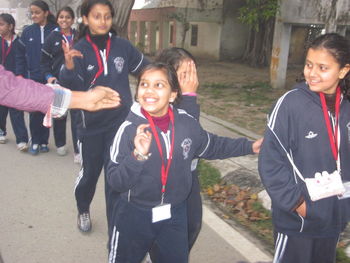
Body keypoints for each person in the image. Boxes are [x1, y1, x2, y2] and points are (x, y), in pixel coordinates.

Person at [107, 62, 262, 263]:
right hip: (134, 215)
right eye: (144, 84)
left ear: (173, 95)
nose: (149, 91)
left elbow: (212, 145)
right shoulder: (128, 130)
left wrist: (249, 147)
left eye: (159, 85)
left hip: (174, 213)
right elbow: (115, 181)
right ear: (137, 93)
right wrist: (137, 156)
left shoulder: (187, 124)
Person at [258, 33, 350, 263]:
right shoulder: (290, 105)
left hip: (334, 217)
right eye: (309, 65)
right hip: (299, 220)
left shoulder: (346, 107)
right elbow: (271, 160)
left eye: (323, 67)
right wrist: (296, 203)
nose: (312, 73)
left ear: (343, 70)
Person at [59, 0, 149, 233]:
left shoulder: (123, 46)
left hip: (121, 126)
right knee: (90, 175)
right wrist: (68, 66)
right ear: (86, 19)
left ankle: (116, 224)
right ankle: (83, 208)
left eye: (107, 16)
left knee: (116, 176)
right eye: (97, 16)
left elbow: (146, 69)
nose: (103, 21)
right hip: (91, 127)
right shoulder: (79, 49)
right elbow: (69, 88)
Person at [154, 47, 202, 252]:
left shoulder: (186, 102)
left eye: (193, 72)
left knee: (192, 226)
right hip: (164, 185)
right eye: (185, 74)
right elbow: (183, 134)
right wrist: (190, 97)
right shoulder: (158, 104)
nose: (192, 79)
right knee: (166, 234)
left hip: (189, 176)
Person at [16, 0, 56, 155]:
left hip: (50, 79)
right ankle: (35, 141)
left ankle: (44, 141)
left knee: (47, 111)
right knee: (34, 112)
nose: (34, 15)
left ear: (46, 13)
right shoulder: (27, 32)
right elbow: (20, 55)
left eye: (37, 12)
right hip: (32, 78)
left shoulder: (55, 30)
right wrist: (20, 75)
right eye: (32, 13)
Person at [41, 6, 79, 159]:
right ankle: (61, 144)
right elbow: (43, 62)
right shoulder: (52, 37)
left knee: (77, 117)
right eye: (61, 17)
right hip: (59, 81)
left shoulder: (78, 36)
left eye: (68, 17)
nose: (64, 20)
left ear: (73, 20)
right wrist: (49, 76)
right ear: (57, 20)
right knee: (60, 114)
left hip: (77, 82)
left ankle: (78, 150)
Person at [0, 13, 29, 149]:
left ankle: (22, 140)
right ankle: (1, 132)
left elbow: (22, 61)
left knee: (16, 111)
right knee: (1, 110)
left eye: (1, 24)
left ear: (11, 26)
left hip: (15, 82)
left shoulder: (20, 42)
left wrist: (21, 76)